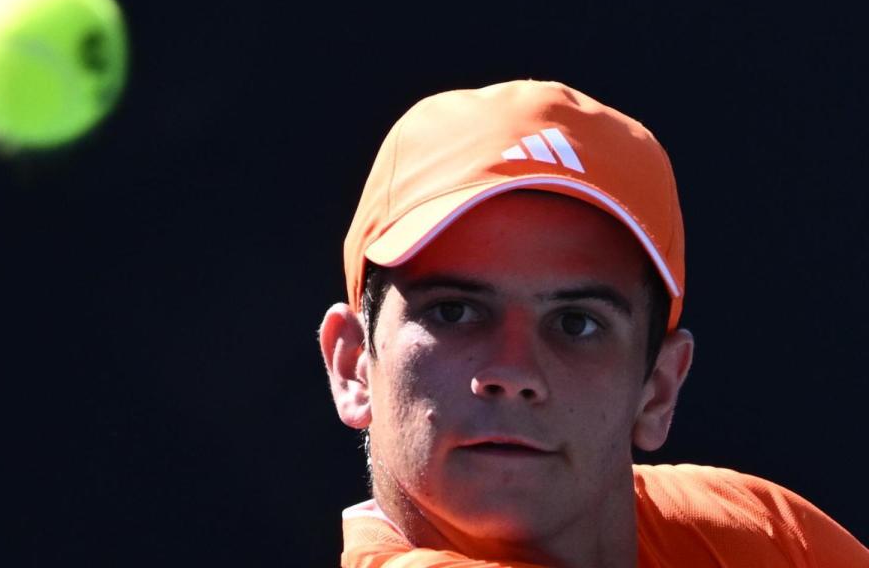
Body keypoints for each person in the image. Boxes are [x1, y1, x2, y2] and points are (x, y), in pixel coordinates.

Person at [317, 79, 868, 568]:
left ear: (658, 389)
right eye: (453, 311)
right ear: (353, 366)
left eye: (575, 323)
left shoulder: (759, 531)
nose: (512, 370)